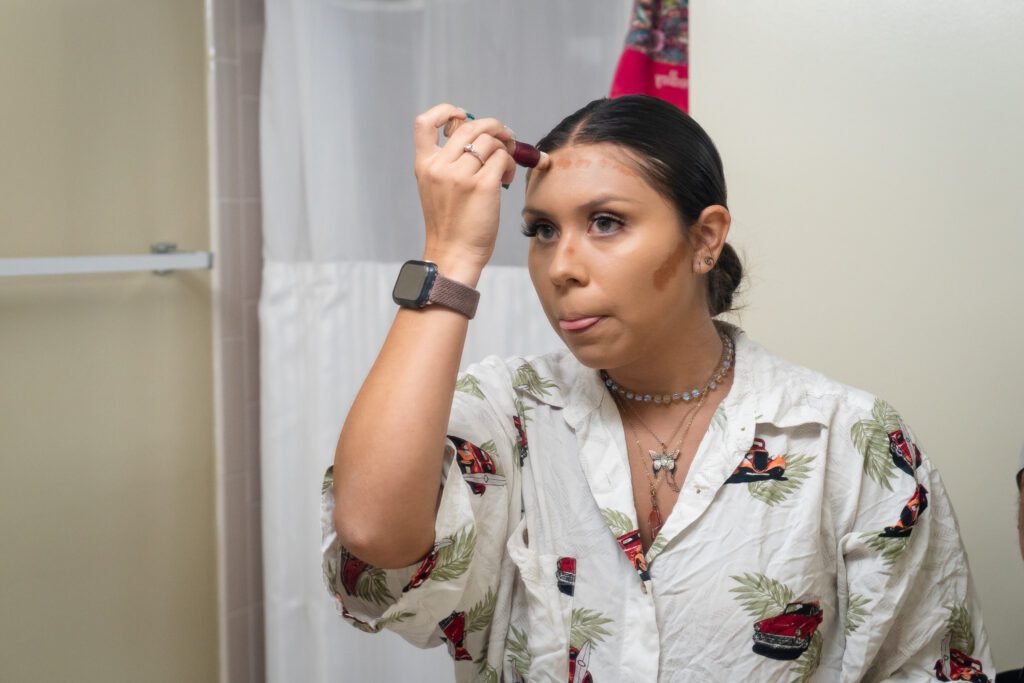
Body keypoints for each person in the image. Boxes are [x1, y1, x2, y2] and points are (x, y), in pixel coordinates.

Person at [320, 95, 993, 681]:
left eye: (605, 222)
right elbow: (375, 533)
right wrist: (449, 256)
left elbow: (927, 665)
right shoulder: (510, 413)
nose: (561, 267)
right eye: (541, 231)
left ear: (705, 239)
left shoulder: (849, 438)